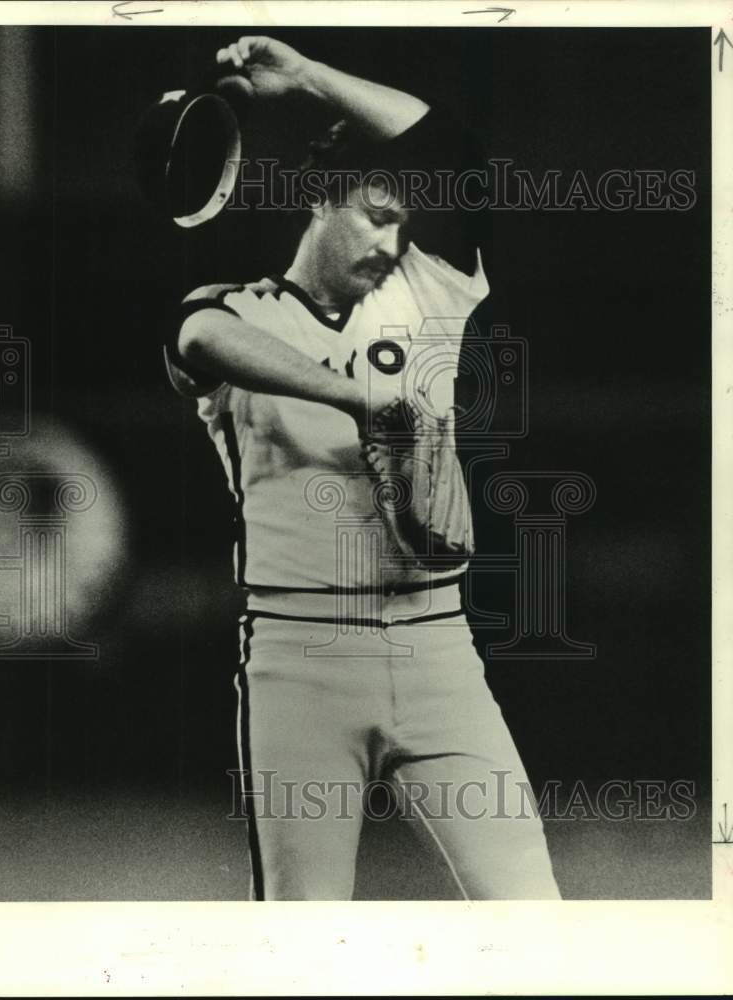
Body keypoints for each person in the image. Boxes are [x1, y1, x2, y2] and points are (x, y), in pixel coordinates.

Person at [165, 35, 560, 901]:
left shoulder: (423, 296)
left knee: (533, 917)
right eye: (378, 215)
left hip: (436, 646)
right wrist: (363, 402)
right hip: (299, 657)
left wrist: (305, 78)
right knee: (305, 945)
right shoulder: (244, 313)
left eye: (407, 225)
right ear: (319, 199)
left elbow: (450, 149)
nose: (395, 239)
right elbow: (197, 336)